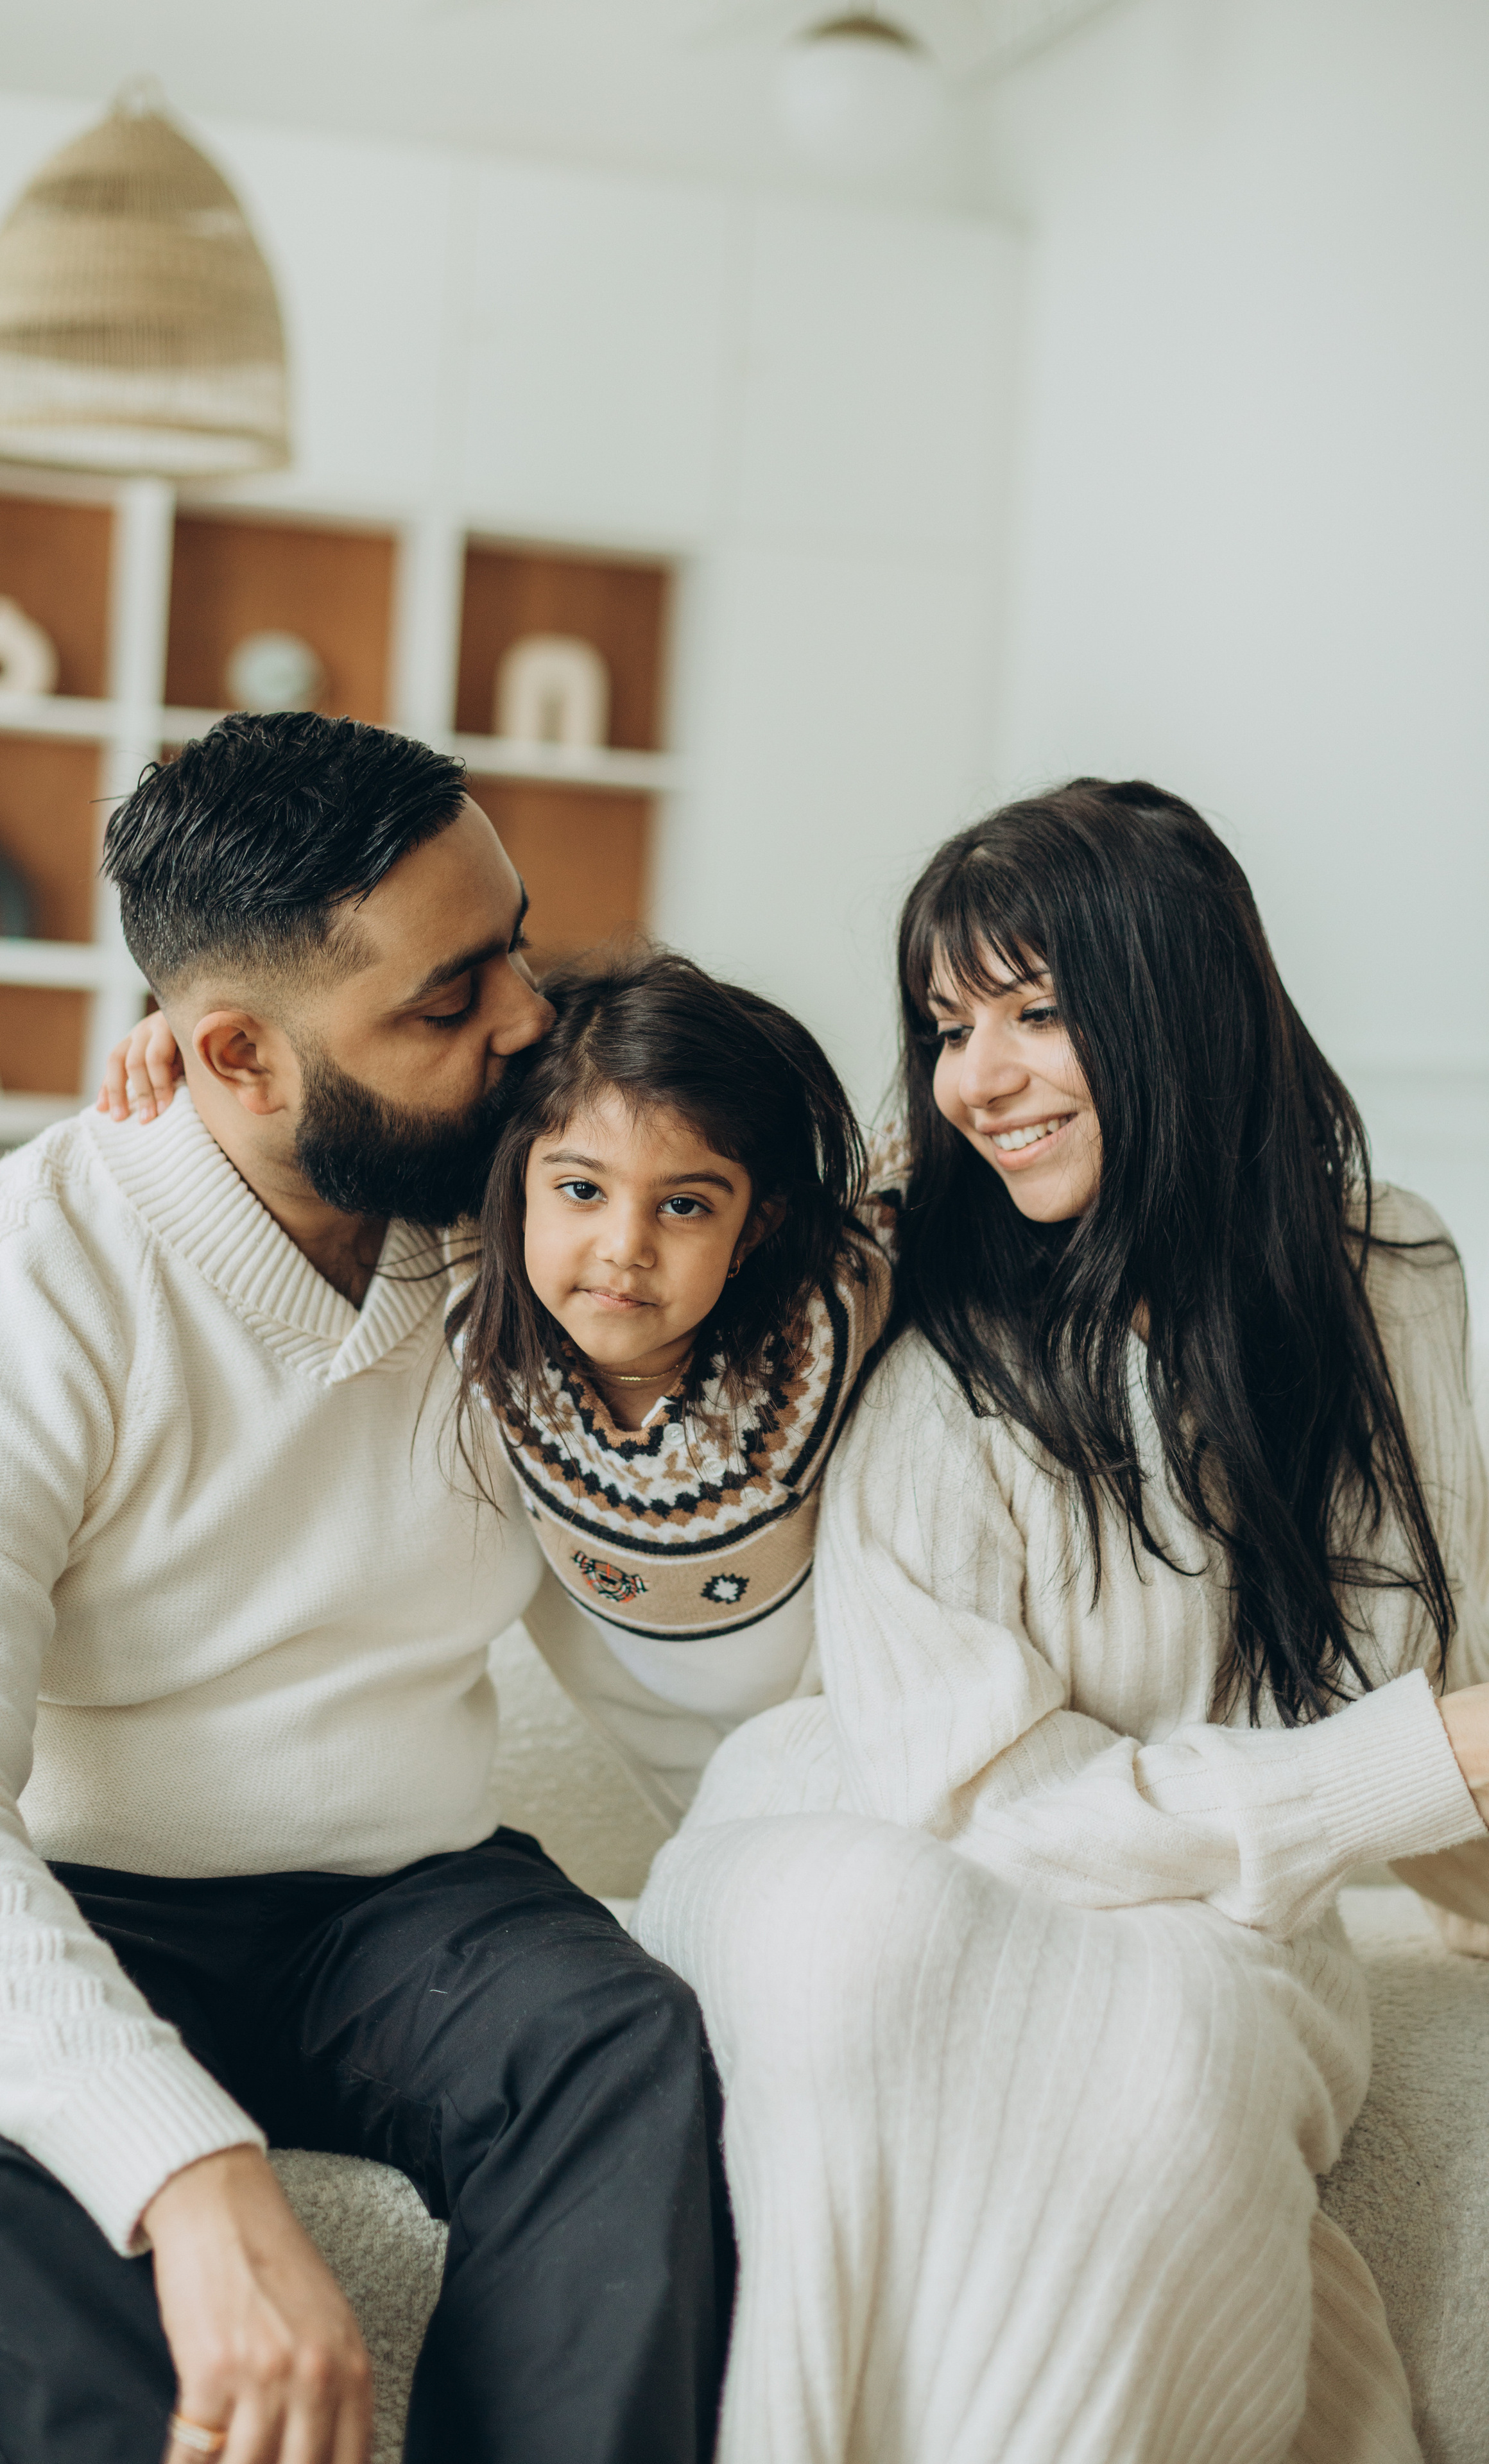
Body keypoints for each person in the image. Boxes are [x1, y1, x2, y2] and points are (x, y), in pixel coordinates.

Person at [0, 712, 734, 2464]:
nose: (526, 1022)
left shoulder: (534, 1222)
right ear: (236, 1056)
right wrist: (186, 2172)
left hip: (404, 1906)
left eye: (517, 950)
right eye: (448, 999)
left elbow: (761, 1179)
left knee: (622, 2046)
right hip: (68, 1888)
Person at [632, 778, 1489, 2464]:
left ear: (1180, 1001)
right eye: (949, 1028)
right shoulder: (923, 1322)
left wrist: (1443, 1803)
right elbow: (983, 1804)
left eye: (1034, 1012)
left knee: (1181, 2042)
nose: (977, 1080)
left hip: (1200, 1917)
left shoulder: (1389, 1276)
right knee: (894, 1946)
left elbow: (1445, 1687)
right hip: (871, 1834)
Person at [107, 946, 890, 1784]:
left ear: (755, 1229)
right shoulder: (472, 1265)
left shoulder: (831, 1308)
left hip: (857, 1723)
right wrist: (205, 1044)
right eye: (582, 1191)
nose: (625, 1247)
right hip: (670, 1760)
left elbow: (932, 1183)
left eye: (684, 1206)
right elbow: (350, 1111)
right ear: (512, 1189)